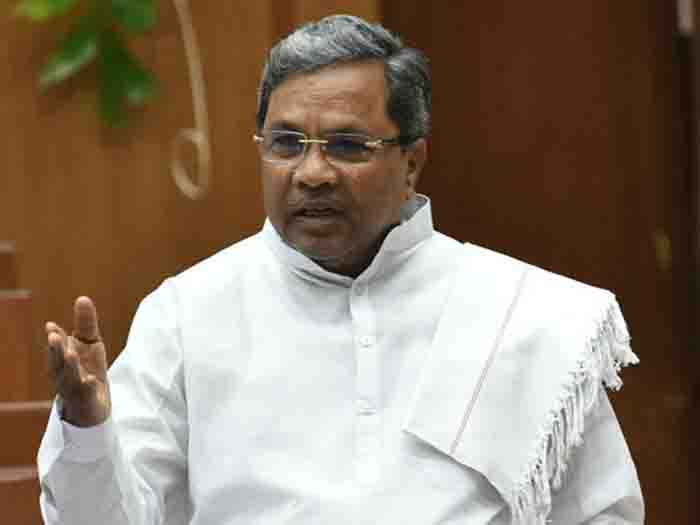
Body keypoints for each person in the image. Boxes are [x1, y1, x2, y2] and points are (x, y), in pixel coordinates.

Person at [37, 15, 644, 525]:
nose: (312, 173)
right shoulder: (185, 315)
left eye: (349, 146)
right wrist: (87, 431)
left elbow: (603, 512)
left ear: (412, 162)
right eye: (286, 144)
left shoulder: (522, 314)